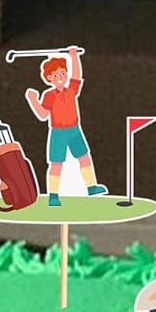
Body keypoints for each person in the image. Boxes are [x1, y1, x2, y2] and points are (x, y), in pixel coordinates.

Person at [23, 46, 107, 207]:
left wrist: (74, 57)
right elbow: (42, 115)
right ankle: (53, 195)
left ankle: (91, 187)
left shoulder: (71, 91)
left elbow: (77, 76)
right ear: (49, 78)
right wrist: (33, 100)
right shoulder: (49, 95)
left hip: (74, 130)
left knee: (84, 157)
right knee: (56, 164)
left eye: (62, 73)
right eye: (56, 75)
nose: (60, 77)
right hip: (58, 133)